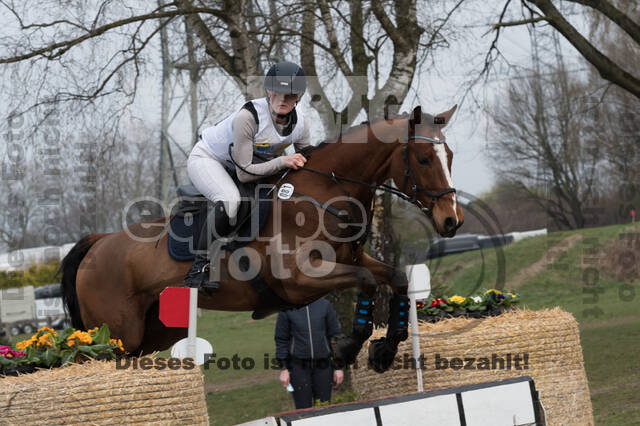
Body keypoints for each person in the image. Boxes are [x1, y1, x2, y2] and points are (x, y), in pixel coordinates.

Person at [184, 61, 311, 291]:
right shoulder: (248, 117)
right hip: (209, 159)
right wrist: (283, 161)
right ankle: (198, 269)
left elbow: (307, 163)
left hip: (248, 164)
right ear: (269, 91)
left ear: (298, 97)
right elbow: (244, 173)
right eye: (277, 92)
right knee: (231, 201)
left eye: (290, 95)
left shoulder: (301, 124)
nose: (282, 99)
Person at [275, 297, 344, 409]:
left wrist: (338, 367)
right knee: (303, 409)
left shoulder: (325, 305)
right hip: (298, 367)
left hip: (323, 366)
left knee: (323, 407)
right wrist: (284, 368)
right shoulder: (286, 309)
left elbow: (336, 337)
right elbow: (281, 339)